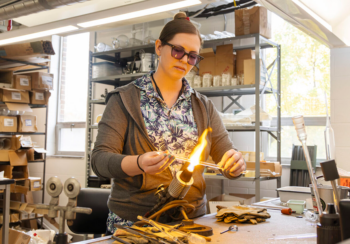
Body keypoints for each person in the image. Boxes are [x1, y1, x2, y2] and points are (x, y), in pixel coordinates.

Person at [92, 12, 246, 234]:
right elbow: (99, 161)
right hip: (136, 225)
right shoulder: (124, 100)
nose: (184, 60)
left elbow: (226, 153)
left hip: (189, 222)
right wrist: (138, 163)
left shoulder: (203, 106)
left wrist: (235, 164)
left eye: (192, 56)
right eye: (178, 51)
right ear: (158, 47)